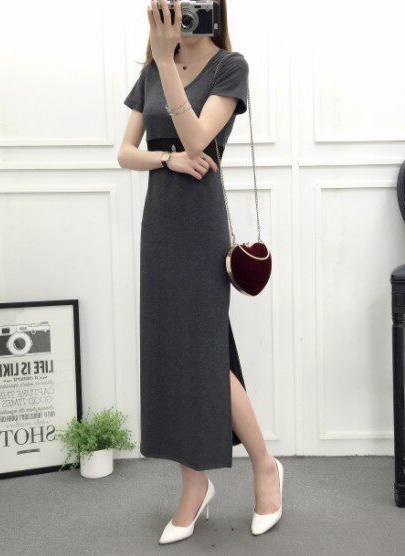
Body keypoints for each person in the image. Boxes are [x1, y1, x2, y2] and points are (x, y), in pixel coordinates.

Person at [117, 0, 283, 544]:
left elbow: (197, 140)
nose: (179, 12)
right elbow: (126, 153)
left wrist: (167, 61)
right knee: (173, 350)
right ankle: (195, 485)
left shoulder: (230, 67)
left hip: (199, 219)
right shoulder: (152, 67)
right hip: (161, 217)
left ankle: (264, 466)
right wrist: (166, 160)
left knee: (204, 351)